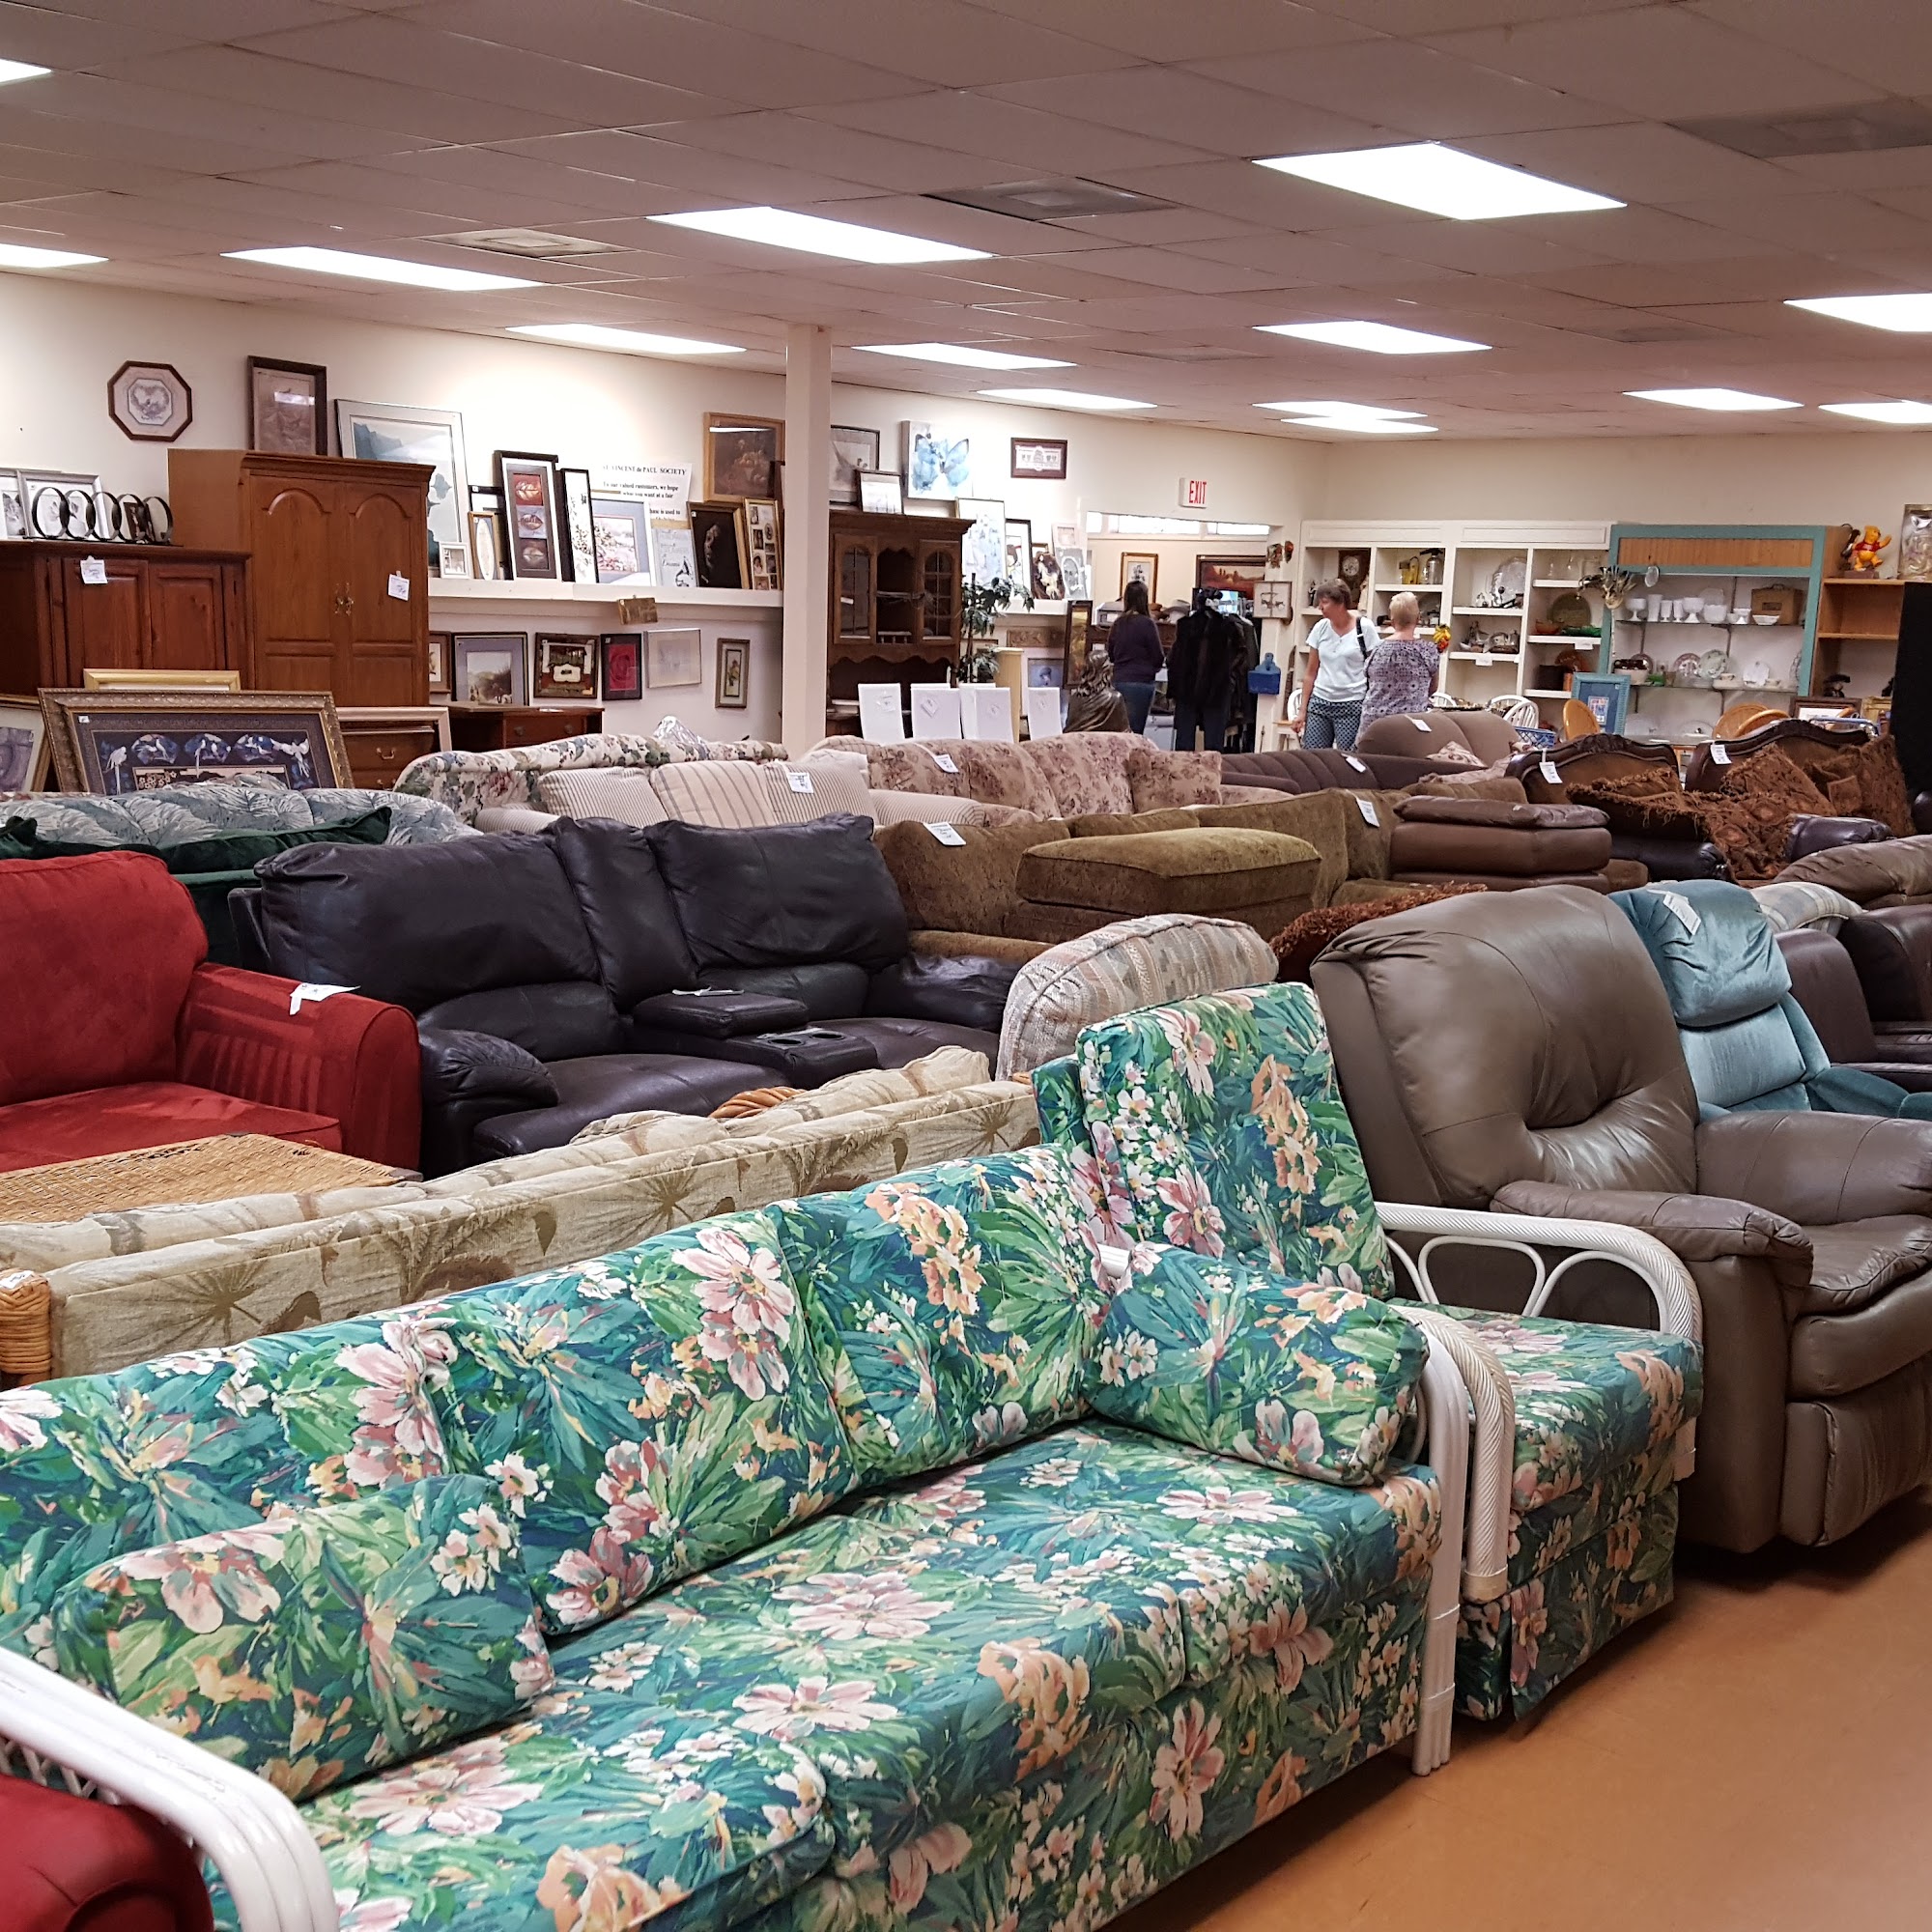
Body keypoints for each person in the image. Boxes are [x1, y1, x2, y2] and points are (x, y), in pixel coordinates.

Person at [1170, 589, 1243, 753]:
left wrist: (1173, 689)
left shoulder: (1185, 625)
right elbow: (1240, 655)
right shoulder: (1228, 627)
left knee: (1184, 745)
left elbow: (1174, 659)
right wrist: (1230, 676)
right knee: (1214, 744)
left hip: (1187, 687)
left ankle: (1182, 769)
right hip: (1217, 687)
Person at [1300, 579, 1371, 750]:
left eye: (1325, 602)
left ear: (1341, 603)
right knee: (1313, 757)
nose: (1320, 607)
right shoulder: (1320, 628)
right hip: (1320, 701)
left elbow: (1374, 670)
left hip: (1352, 703)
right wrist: (1302, 711)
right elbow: (1310, 672)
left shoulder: (1364, 627)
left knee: (1347, 757)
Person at [1360, 591, 1445, 730]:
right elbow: (1432, 688)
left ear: (1392, 621)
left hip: (1374, 725)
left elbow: (1369, 681)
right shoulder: (1428, 651)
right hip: (1409, 726)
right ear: (1418, 619)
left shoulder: (1377, 649)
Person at [1107, 578, 1164, 732]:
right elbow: (1158, 657)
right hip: (1141, 683)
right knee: (1136, 732)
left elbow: (1111, 655)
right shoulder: (1148, 624)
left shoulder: (1118, 623)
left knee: (1118, 732)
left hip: (1119, 681)